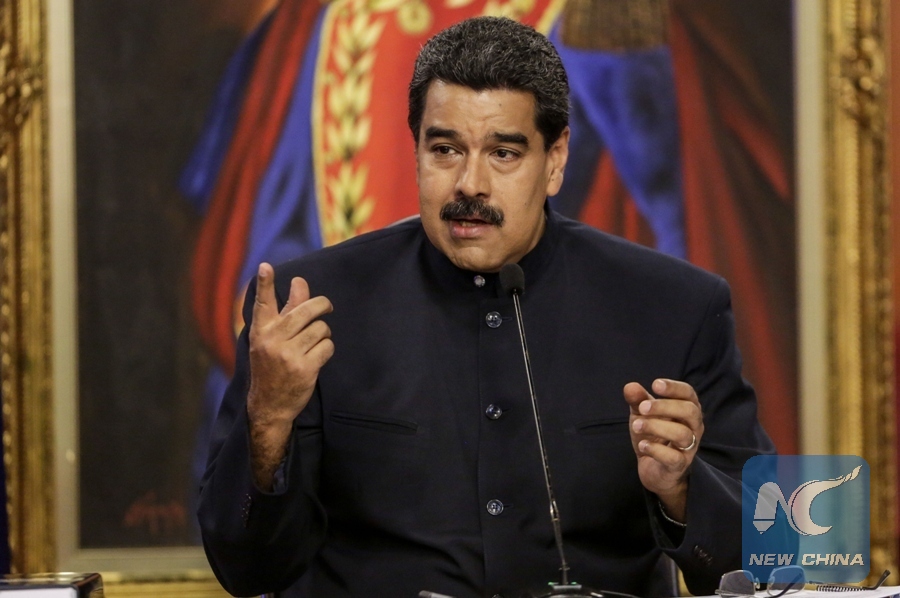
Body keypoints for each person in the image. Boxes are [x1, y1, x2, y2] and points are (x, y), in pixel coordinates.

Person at [198, 16, 774, 598]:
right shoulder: (311, 307)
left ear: (555, 160)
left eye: (503, 153)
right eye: (445, 150)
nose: (470, 184)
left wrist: (681, 490)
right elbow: (244, 568)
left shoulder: (676, 308)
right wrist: (268, 421)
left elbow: (769, 559)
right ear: (416, 152)